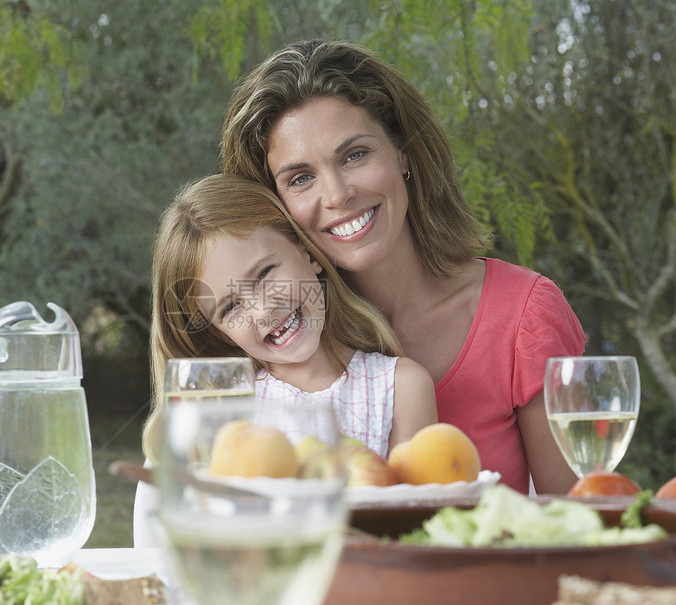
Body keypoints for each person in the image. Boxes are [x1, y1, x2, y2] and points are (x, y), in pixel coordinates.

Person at [219, 39, 586, 495]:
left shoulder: (525, 316)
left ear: (403, 152)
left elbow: (579, 524)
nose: (336, 195)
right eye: (300, 178)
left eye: (354, 155)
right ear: (275, 205)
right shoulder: (276, 342)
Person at [133, 174, 437, 546]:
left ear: (307, 253)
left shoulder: (401, 387)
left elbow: (417, 538)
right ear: (217, 331)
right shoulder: (218, 412)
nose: (262, 310)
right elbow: (168, 551)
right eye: (230, 307)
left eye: (264, 274)